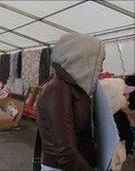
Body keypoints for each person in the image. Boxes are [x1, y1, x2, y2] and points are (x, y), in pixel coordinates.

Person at [37, 34, 105, 170]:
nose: (101, 69)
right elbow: (65, 152)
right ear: (81, 60)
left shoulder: (72, 87)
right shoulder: (58, 90)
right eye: (98, 62)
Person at [100, 78, 135, 170]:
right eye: (124, 94)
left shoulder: (100, 117)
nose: (128, 97)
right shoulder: (116, 119)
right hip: (113, 163)